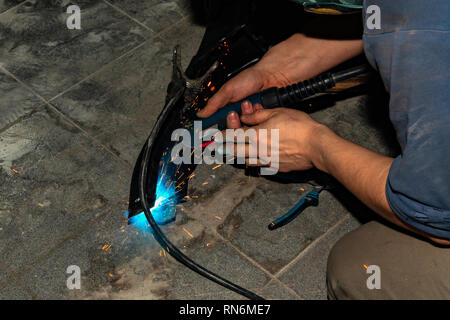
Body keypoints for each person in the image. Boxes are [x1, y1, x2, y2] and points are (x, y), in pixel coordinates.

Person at [197, 0, 450, 299]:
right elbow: (389, 11)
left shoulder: (425, 41)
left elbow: (434, 215)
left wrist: (315, 146)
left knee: (361, 269)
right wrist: (274, 74)